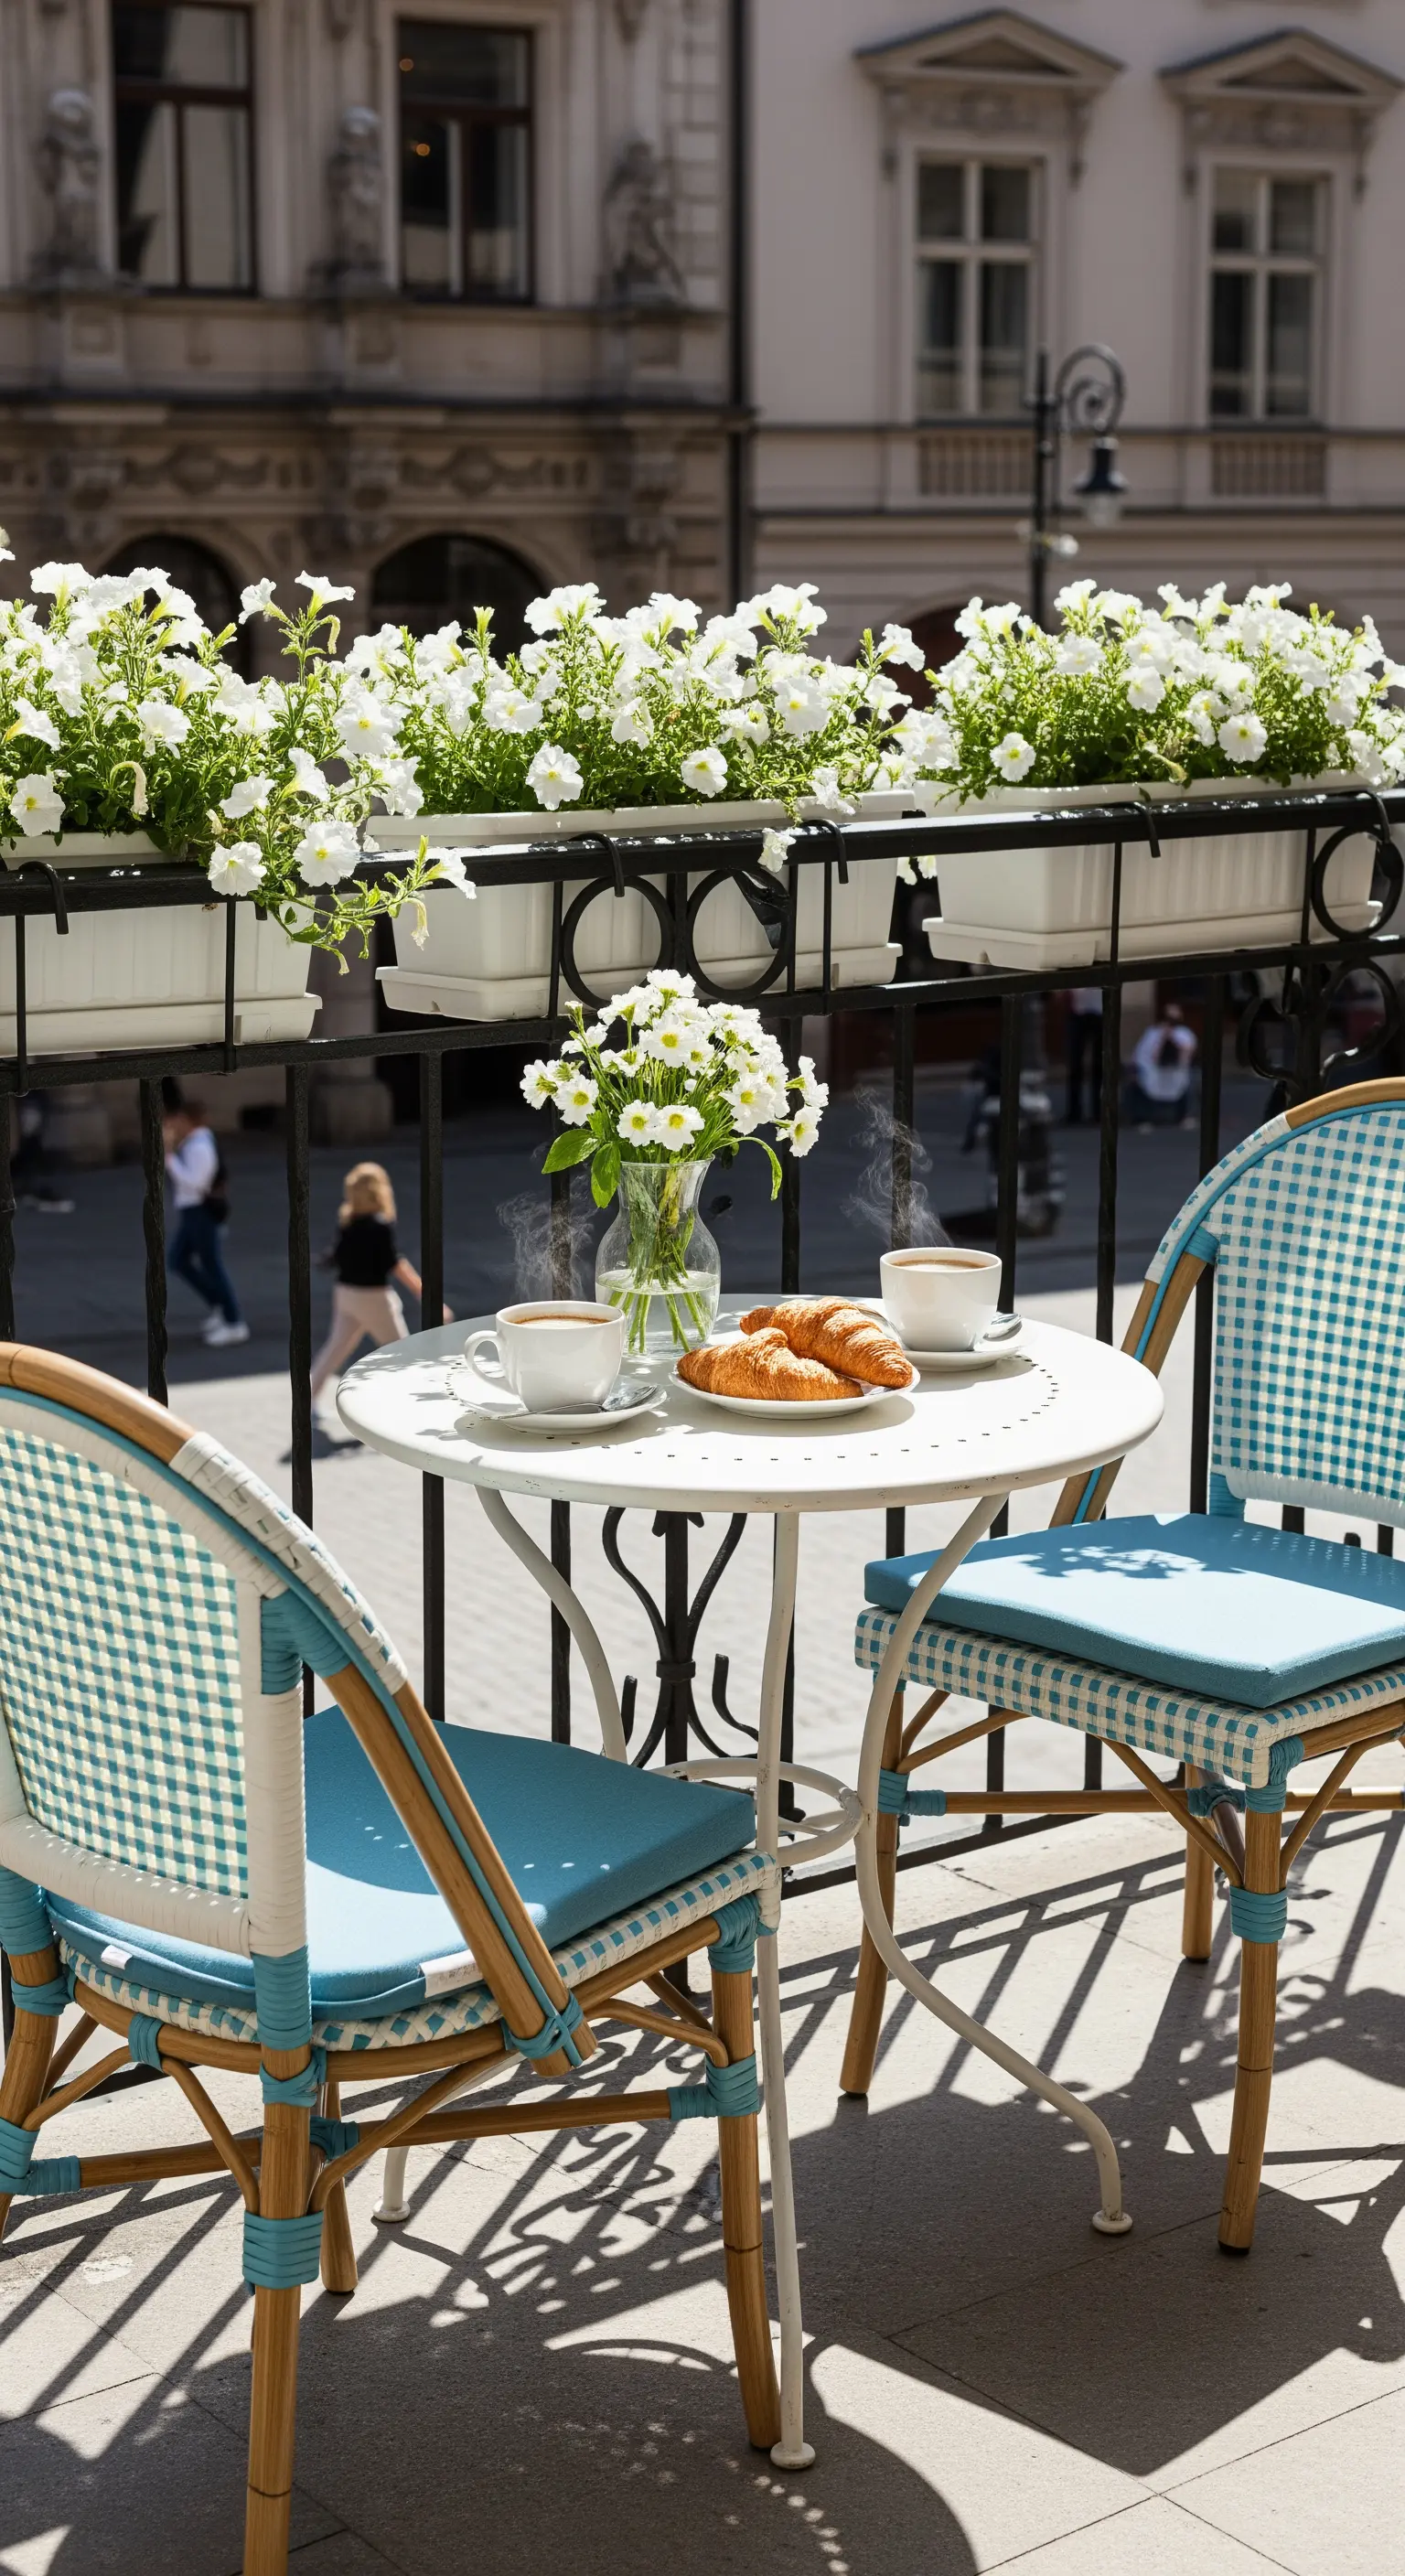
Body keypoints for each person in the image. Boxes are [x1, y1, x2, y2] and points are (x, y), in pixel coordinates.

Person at [310, 1162, 442, 1411]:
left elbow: (337, 1255)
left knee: (335, 1349)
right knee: (404, 1352)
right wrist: (422, 1290)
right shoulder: (380, 1226)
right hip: (373, 1297)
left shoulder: (349, 1221)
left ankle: (308, 1398)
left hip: (345, 1293)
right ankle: (416, 1405)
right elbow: (394, 1263)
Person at [164, 1095, 248, 1346]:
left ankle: (234, 1322)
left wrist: (169, 1158)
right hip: (193, 1211)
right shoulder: (195, 1142)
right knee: (179, 1261)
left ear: (186, 1120)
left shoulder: (200, 1146)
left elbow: (196, 1182)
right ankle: (220, 1307)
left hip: (201, 1212)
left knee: (211, 1265)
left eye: (176, 1120)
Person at [1127, 1001, 1197, 1131]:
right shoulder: (1152, 1033)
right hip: (1153, 1073)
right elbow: (1140, 1056)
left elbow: (1187, 1054)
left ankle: (1184, 1115)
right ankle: (1142, 1118)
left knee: (1193, 1078)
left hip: (1176, 1073)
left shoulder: (1184, 1034)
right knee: (1135, 1080)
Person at [1064, 987, 1103, 1126]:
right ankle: (1075, 1111)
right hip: (1078, 1013)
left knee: (1099, 1066)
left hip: (1100, 1013)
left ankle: (1098, 1111)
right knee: (1075, 1066)